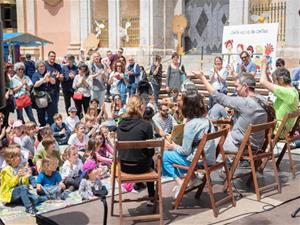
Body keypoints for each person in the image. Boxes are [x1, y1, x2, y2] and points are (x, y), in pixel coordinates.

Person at [194, 71, 268, 153]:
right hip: (256, 144)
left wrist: (202, 78)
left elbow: (219, 97)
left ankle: (201, 164)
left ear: (245, 87)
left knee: (203, 143)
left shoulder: (244, 102)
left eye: (237, 87)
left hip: (241, 146)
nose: (236, 90)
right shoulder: (263, 100)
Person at [162, 92, 216, 198]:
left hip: (199, 161)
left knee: (164, 157)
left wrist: (173, 146)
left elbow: (185, 151)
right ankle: (193, 178)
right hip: (209, 158)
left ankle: (180, 183)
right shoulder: (208, 121)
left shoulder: (191, 125)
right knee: (175, 154)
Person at [117, 95, 155, 203]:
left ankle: (140, 185)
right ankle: (151, 196)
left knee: (141, 157)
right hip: (141, 167)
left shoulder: (120, 124)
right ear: (141, 107)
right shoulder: (146, 125)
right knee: (152, 160)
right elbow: (150, 152)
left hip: (124, 167)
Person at [1, 145, 45, 215]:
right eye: (18, 156)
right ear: (11, 159)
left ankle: (48, 196)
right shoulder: (6, 171)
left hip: (19, 194)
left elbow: (25, 185)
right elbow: (10, 184)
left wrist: (27, 176)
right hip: (9, 195)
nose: (20, 157)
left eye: (20, 155)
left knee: (35, 198)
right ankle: (29, 208)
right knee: (23, 189)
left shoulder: (20, 167)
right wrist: (18, 176)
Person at [260, 59, 299, 132]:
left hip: (277, 130)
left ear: (281, 80)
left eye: (275, 81)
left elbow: (262, 82)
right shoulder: (293, 91)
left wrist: (264, 65)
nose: (274, 84)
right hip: (284, 129)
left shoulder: (285, 92)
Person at [32, 60, 56, 126]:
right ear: (37, 67)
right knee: (41, 115)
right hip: (40, 98)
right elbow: (35, 84)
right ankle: (42, 128)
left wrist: (49, 77)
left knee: (50, 114)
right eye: (40, 66)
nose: (42, 68)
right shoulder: (35, 74)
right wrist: (43, 79)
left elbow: (53, 82)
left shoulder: (48, 72)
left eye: (43, 66)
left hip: (49, 97)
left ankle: (50, 128)